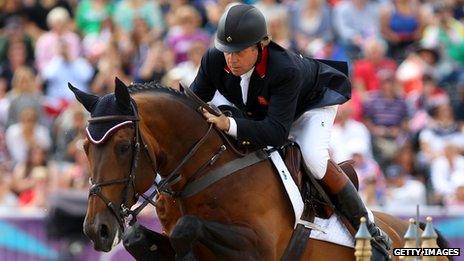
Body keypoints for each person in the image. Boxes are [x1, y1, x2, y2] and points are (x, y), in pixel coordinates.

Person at [190, 4, 391, 259]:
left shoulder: (284, 69)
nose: (231, 59)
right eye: (227, 51)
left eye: (239, 52)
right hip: (271, 111)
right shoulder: (214, 59)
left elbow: (275, 133)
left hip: (311, 105)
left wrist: (228, 124)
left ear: (261, 45)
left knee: (314, 159)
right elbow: (194, 101)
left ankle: (369, 229)